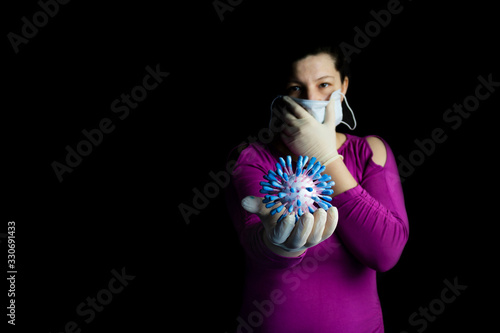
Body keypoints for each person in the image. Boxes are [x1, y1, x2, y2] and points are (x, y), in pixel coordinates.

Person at [225, 44, 409, 333]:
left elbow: (385, 253)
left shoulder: (370, 151)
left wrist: (324, 157)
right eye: (297, 88)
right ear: (281, 96)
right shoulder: (250, 157)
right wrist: (279, 244)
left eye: (324, 84)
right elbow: (255, 242)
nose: (312, 98)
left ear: (343, 86)